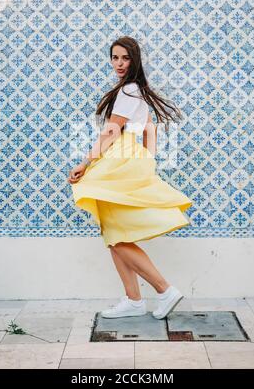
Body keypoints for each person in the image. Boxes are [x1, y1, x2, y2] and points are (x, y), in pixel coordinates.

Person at [68, 36, 193, 319]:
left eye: (125, 58)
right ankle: (134, 300)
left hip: (120, 158)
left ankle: (164, 290)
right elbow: (150, 130)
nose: (119, 63)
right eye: (115, 58)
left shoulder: (129, 90)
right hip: (129, 158)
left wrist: (85, 163)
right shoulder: (136, 91)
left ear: (134, 60)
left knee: (115, 232)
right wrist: (147, 161)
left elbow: (112, 131)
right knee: (112, 233)